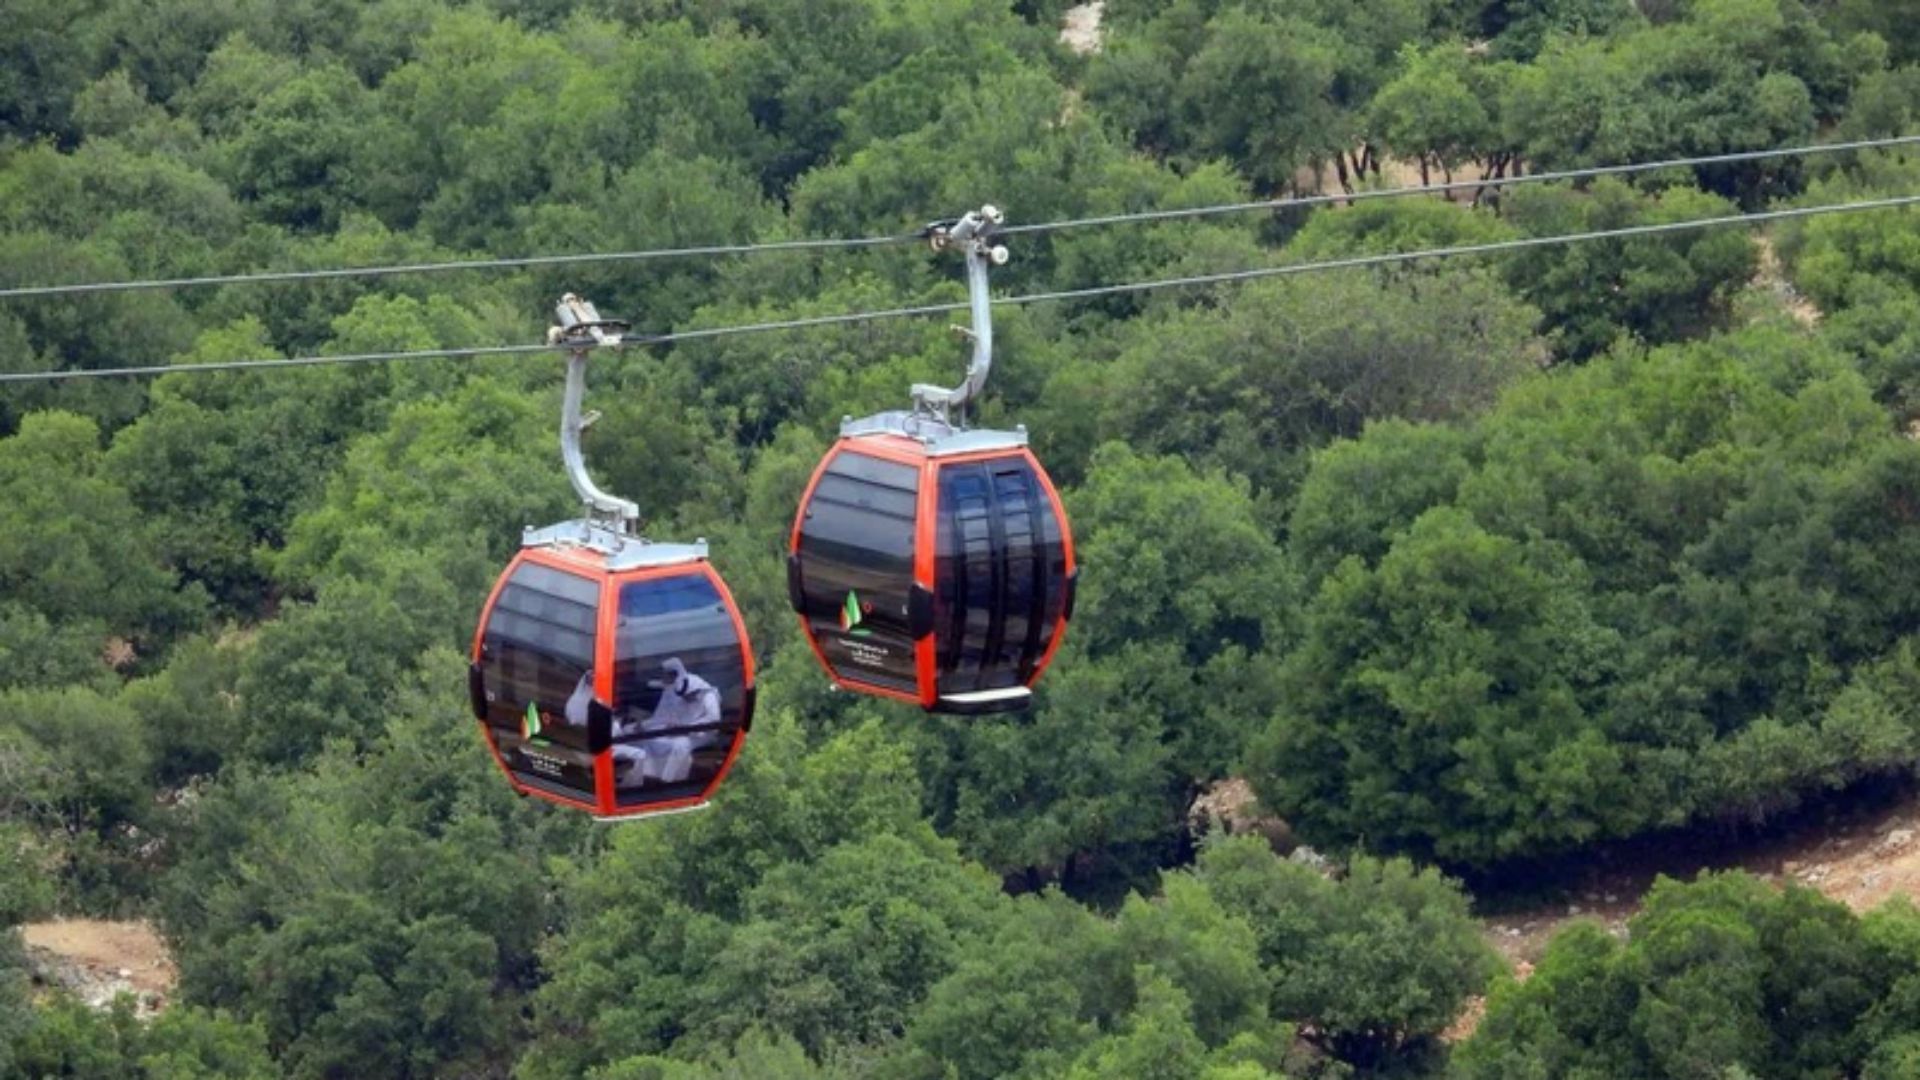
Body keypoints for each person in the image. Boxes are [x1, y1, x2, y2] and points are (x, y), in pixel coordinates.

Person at [613, 658, 721, 787]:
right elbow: (666, 716)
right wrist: (648, 725)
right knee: (651, 737)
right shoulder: (679, 691)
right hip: (680, 730)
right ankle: (649, 776)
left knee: (680, 745)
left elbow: (713, 719)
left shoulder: (708, 696)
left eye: (687, 696)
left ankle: (668, 781)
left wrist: (686, 728)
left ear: (695, 690)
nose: (685, 699)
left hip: (703, 734)